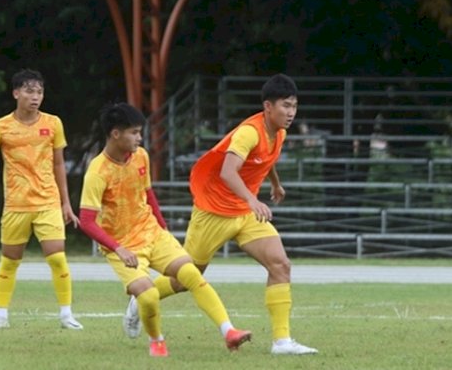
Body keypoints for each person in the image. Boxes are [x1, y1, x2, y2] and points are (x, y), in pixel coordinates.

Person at [140, 74, 318, 355]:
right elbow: (227, 171)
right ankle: (143, 294)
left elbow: (264, 158)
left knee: (280, 264)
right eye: (286, 106)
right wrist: (252, 200)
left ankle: (282, 342)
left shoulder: (280, 133)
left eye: (294, 106)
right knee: (188, 276)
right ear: (268, 107)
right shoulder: (249, 132)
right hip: (214, 211)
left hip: (245, 215)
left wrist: (274, 182)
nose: (291, 112)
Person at [78, 103, 251, 357]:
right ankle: (157, 341)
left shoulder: (141, 156)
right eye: (134, 132)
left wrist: (162, 227)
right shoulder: (97, 171)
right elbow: (87, 221)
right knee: (147, 297)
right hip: (122, 244)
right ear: (115, 134)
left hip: (152, 232)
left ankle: (229, 332)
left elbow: (147, 193)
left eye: (140, 132)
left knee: (190, 274)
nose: (140, 137)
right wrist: (118, 248)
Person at [0, 69, 82, 330]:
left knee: (57, 258)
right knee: (10, 261)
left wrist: (66, 202)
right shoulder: (0, 127)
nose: (35, 97)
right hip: (16, 205)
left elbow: (58, 164)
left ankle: (66, 314)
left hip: (47, 202)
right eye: (30, 91)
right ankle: (1, 316)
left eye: (40, 91)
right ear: (16, 93)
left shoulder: (53, 123)